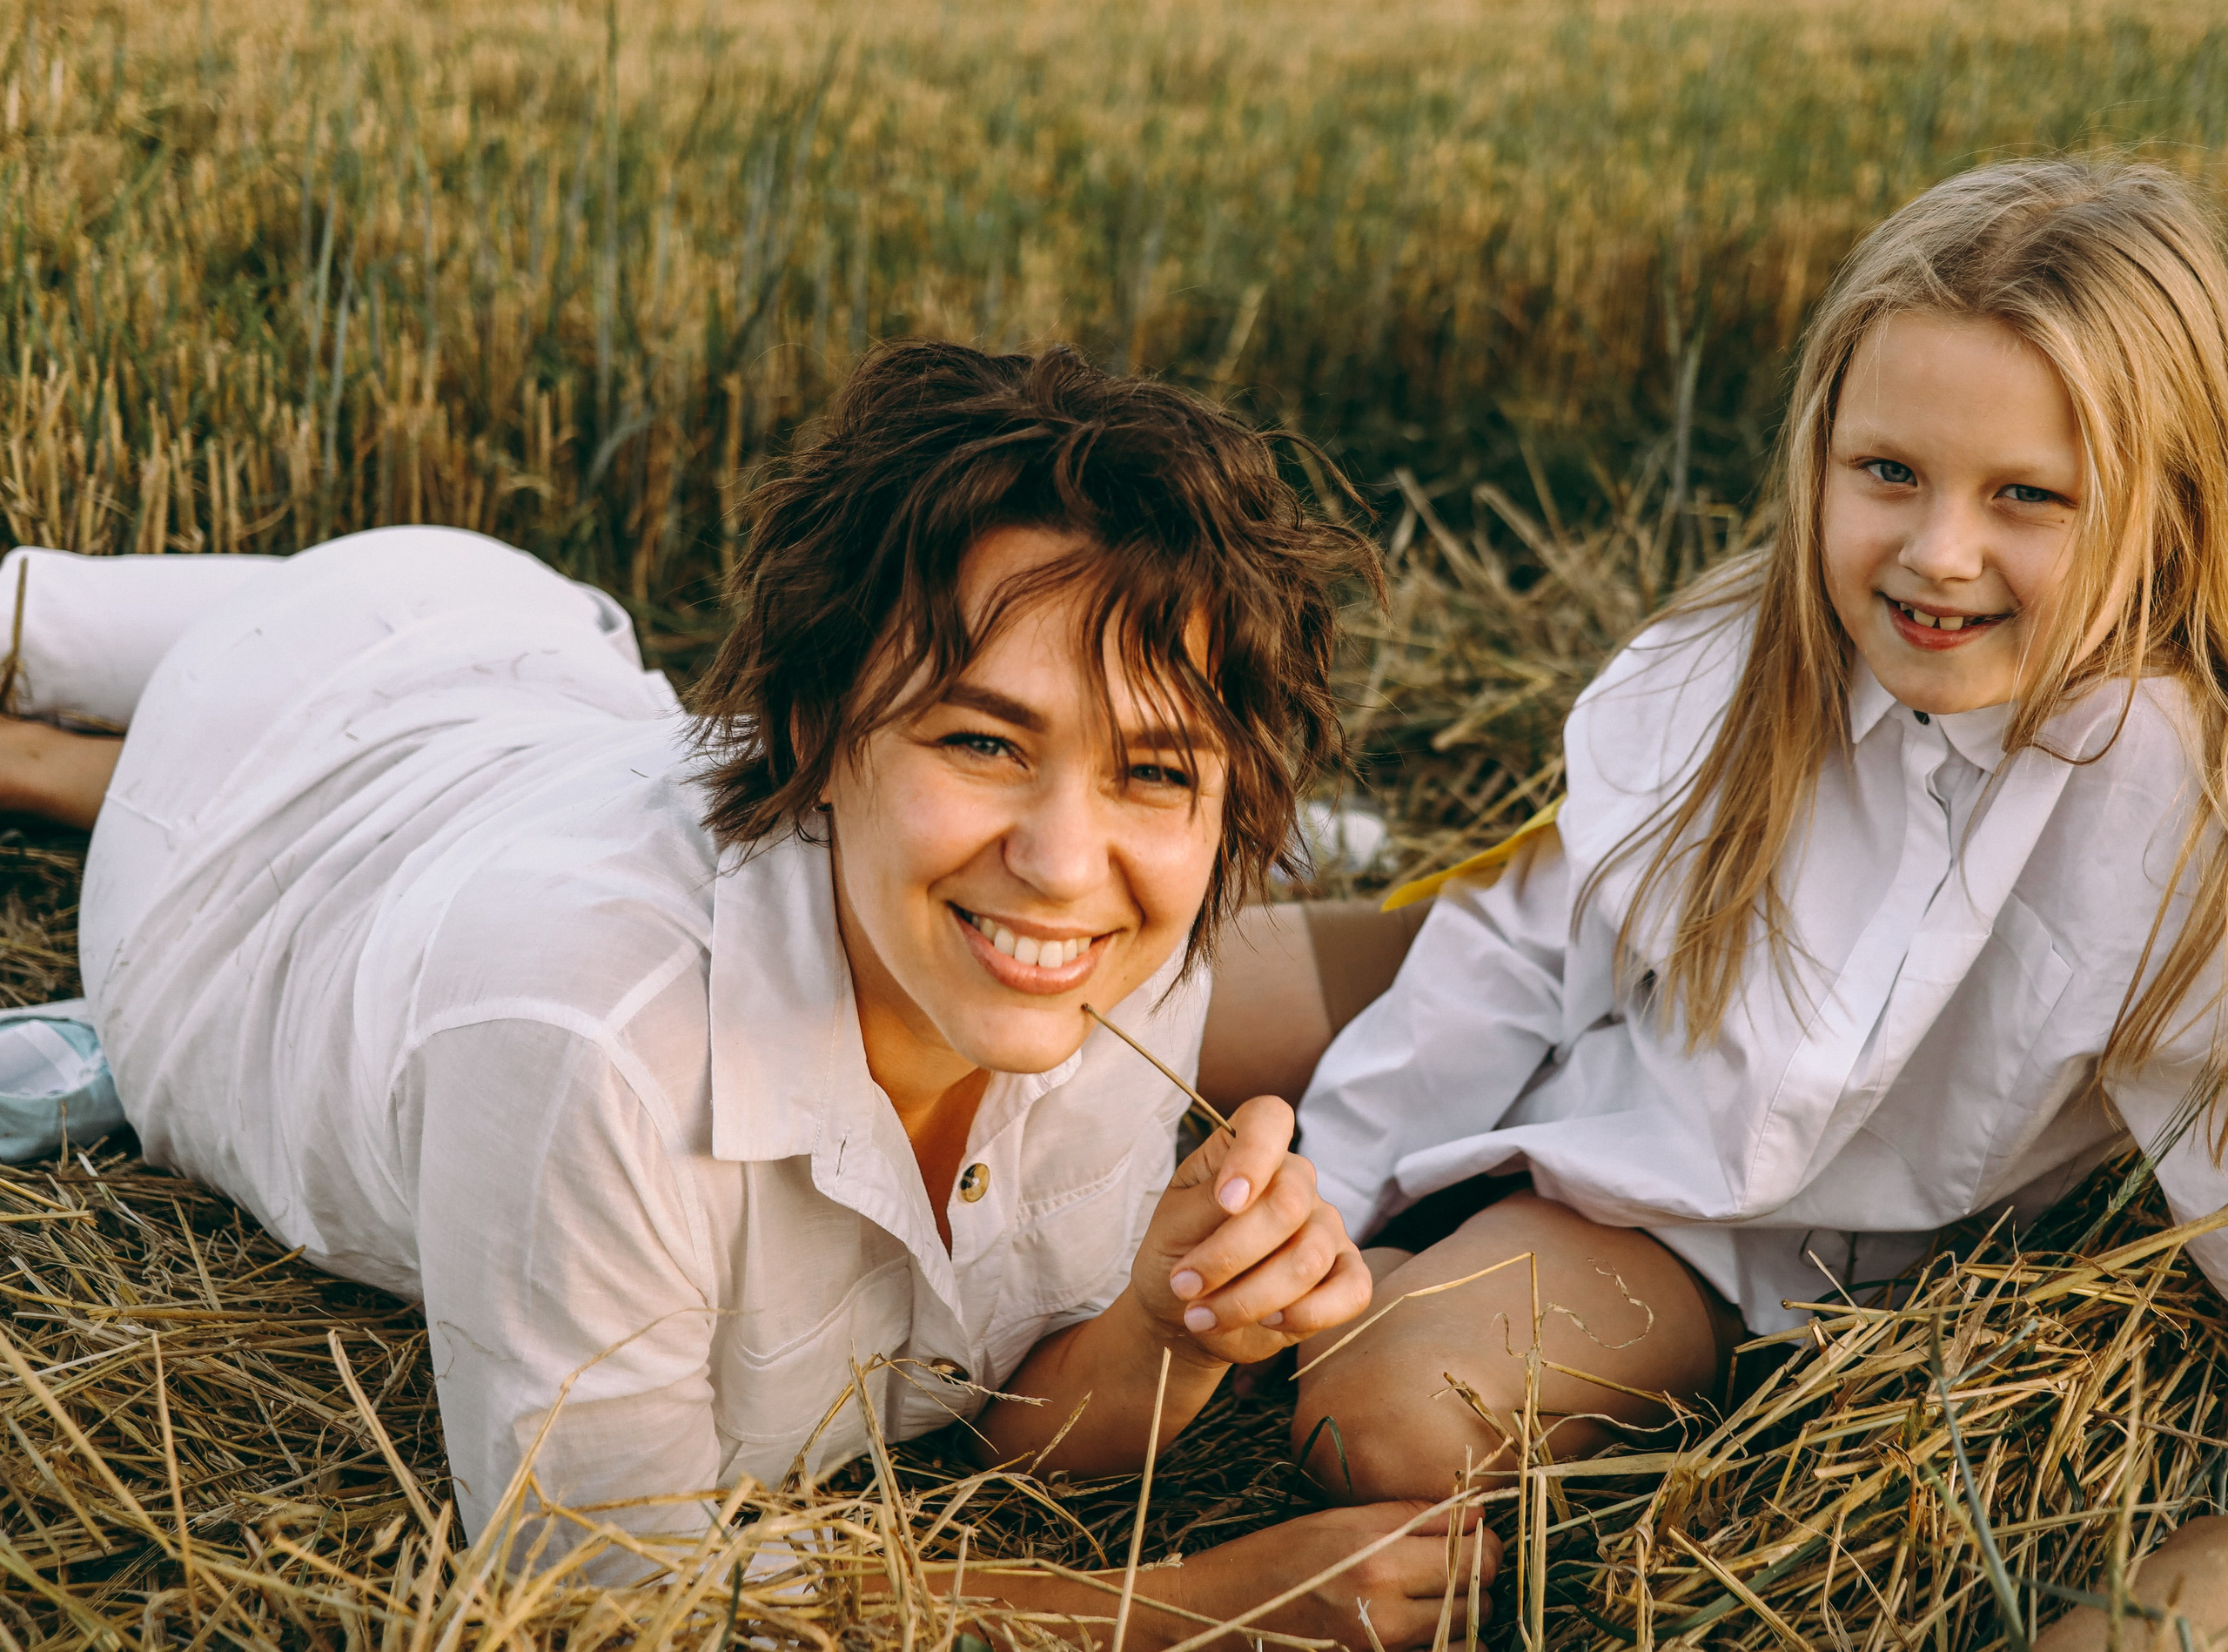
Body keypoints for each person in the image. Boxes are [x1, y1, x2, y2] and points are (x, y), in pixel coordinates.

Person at [3, 342, 1489, 1642]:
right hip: (262, 786)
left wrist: (1173, 1317)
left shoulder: (1122, 942)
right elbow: (604, 1596)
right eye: (984, 740)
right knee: (23, 615)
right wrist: (1185, 1613)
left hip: (545, 735)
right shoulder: (590, 1041)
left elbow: (1003, 1408)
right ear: (816, 732)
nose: (1061, 861)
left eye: (1153, 769)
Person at [1201, 157, 2228, 1627]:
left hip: (1706, 1210)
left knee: (1372, 1415)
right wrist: (1329, 1188)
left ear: (2167, 507)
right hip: (1557, 1000)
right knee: (1146, 989)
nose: (1939, 553)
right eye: (1889, 473)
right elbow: (1518, 940)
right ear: (1819, 452)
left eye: (2028, 497)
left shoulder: (2173, 818)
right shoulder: (1745, 653)